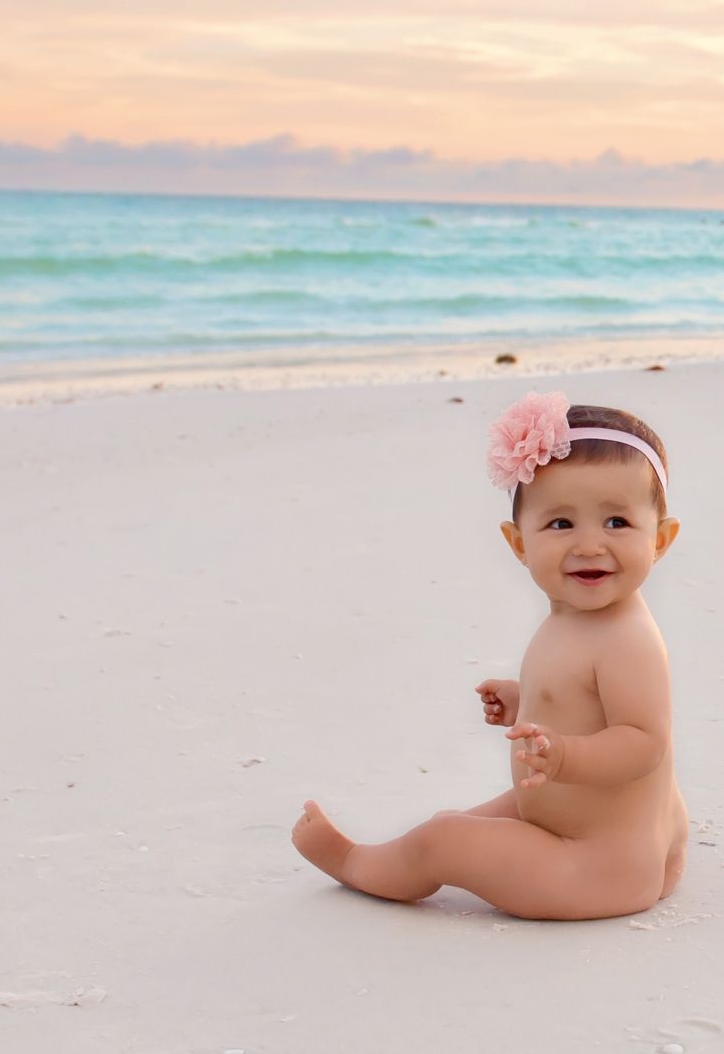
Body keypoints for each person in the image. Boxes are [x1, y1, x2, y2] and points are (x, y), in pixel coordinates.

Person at [291, 393, 690, 919]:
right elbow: (585, 700)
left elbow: (644, 743)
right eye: (561, 524)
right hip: (597, 829)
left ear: (660, 539)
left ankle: (355, 862)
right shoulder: (578, 619)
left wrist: (565, 755)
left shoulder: (627, 638)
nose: (591, 544)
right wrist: (527, 703)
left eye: (617, 522)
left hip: (598, 865)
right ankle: (408, 854)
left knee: (445, 840)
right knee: (455, 820)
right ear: (519, 544)